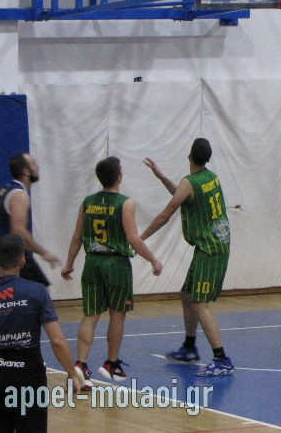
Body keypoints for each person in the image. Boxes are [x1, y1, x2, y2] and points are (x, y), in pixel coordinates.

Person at [61, 156, 164, 389]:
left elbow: (77, 236)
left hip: (92, 262)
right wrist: (153, 260)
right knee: (117, 314)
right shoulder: (125, 203)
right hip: (116, 264)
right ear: (119, 177)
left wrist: (69, 264)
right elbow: (133, 239)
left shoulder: (87, 202)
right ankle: (111, 363)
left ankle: (81, 365)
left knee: (90, 315)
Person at [141, 138, 234, 376]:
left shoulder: (189, 182)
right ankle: (189, 347)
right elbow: (182, 195)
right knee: (187, 295)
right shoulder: (210, 177)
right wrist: (162, 177)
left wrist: (140, 238)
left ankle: (221, 359)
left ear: (189, 156)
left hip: (210, 249)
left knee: (200, 303)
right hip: (213, 244)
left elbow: (165, 215)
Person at [0, 234, 81, 432]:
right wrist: (72, 373)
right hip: (29, 371)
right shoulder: (36, 292)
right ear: (22, 261)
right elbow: (57, 341)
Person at [0, 153, 61, 286]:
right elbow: (19, 232)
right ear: (26, 172)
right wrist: (44, 253)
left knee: (17, 292)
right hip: (9, 254)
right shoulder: (19, 195)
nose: (37, 167)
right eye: (34, 163)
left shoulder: (6, 189)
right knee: (40, 289)